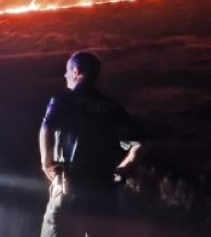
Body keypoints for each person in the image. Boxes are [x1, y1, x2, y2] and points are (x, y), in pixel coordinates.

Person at [39, 51, 142, 237]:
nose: (65, 76)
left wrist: (46, 162)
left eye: (67, 71)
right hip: (103, 191)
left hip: (68, 185)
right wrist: (125, 167)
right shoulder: (114, 108)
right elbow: (139, 144)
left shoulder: (63, 101)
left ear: (76, 71)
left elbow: (46, 128)